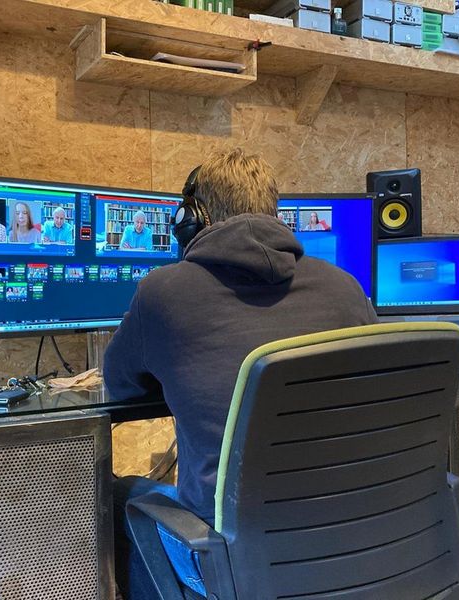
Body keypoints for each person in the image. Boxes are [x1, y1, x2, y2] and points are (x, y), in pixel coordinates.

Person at [103, 148, 378, 600]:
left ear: (192, 218)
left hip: (233, 561)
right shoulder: (345, 288)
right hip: (352, 540)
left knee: (118, 494)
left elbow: (122, 390)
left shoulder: (162, 292)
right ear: (276, 213)